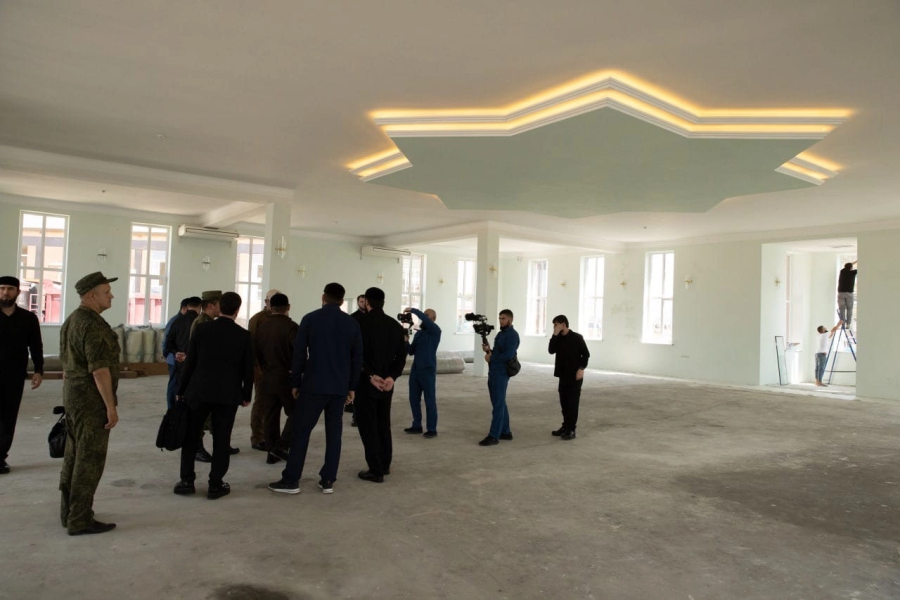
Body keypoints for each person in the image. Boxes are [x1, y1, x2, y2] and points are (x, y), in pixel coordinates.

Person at [268, 283, 362, 494]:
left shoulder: (310, 319)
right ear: (342, 300)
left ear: (323, 297)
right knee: (334, 433)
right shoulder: (351, 323)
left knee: (301, 432)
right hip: (339, 387)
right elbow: (357, 358)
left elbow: (299, 353)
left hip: (313, 385)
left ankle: (291, 480)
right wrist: (352, 387)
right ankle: (328, 480)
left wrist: (295, 382)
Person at [174, 292, 253, 500]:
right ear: (237, 310)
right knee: (222, 439)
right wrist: (246, 394)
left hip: (198, 392)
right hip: (228, 395)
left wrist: (181, 390)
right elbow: (248, 369)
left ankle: (186, 481)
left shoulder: (201, 330)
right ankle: (215, 484)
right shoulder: (244, 335)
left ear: (219, 308)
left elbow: (190, 363)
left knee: (191, 436)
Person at [58, 272, 120, 535]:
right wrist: (110, 407)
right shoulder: (92, 324)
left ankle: (69, 512)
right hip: (91, 401)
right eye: (106, 292)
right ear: (92, 295)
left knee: (73, 456)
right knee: (89, 460)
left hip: (74, 398)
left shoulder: (73, 320)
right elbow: (99, 370)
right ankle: (80, 519)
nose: (111, 296)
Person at [354, 287, 407, 482]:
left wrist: (369, 375)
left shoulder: (359, 324)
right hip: (387, 385)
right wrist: (392, 377)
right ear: (383, 302)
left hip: (366, 383)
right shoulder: (395, 326)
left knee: (368, 426)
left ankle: (375, 470)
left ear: (367, 302)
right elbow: (401, 356)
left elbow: (355, 355)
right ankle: (385, 464)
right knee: (383, 423)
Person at [0, 276, 44, 475]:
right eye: (2, 288)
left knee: (9, 416)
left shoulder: (28, 319)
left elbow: (35, 345)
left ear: (18, 292)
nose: (5, 292)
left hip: (14, 376)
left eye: (10, 289)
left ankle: (0, 457)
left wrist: (38, 370)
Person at [253, 293, 298, 465]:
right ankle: (282, 445)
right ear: (288, 307)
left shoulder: (262, 327)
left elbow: (256, 352)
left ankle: (271, 453)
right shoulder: (292, 327)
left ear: (270, 307)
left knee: (270, 415)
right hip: (286, 377)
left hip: (267, 376)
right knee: (297, 413)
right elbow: (299, 353)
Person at [163, 296, 210, 461]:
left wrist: (177, 353)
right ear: (199, 307)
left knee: (178, 394)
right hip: (195, 370)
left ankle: (175, 418)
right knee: (194, 408)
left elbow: (167, 343)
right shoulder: (200, 323)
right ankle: (196, 446)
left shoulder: (176, 321)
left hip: (179, 366)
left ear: (186, 307)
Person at [479, 309, 520, 446]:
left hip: (501, 372)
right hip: (494, 371)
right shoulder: (500, 334)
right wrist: (488, 350)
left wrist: (492, 358)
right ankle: (505, 432)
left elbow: (508, 355)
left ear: (510, 320)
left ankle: (494, 435)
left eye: (503, 318)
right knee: (500, 402)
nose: (501, 321)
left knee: (498, 404)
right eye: (500, 318)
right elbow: (498, 352)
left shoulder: (513, 335)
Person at [548, 315, 590, 440]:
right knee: (564, 403)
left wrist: (581, 368)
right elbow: (551, 350)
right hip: (563, 376)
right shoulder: (558, 338)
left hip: (575, 376)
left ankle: (571, 429)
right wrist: (554, 335)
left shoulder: (577, 338)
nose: (554, 327)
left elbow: (586, 355)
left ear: (563, 324)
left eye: (556, 325)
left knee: (572, 403)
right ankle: (565, 426)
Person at [249, 289, 281, 451]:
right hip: (262, 368)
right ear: (266, 302)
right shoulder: (257, 319)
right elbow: (252, 345)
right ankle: (257, 437)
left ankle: (269, 435)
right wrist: (256, 368)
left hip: (276, 369)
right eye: (271, 300)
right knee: (261, 403)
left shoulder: (279, 317)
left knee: (273, 404)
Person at [403, 307, 441, 438]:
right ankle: (417, 425)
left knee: (429, 400)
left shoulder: (435, 331)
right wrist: (406, 341)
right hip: (416, 370)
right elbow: (411, 351)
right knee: (413, 399)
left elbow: (424, 319)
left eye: (427, 315)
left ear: (433, 318)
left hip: (428, 371)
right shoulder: (419, 334)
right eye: (424, 314)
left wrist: (413, 310)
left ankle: (432, 429)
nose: (424, 317)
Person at [162, 298, 190, 410]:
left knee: (178, 385)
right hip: (174, 359)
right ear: (183, 308)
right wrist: (168, 355)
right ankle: (171, 409)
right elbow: (167, 341)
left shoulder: (184, 321)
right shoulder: (175, 321)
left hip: (179, 359)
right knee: (173, 385)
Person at [815, 322, 842, 387]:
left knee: (817, 368)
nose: (826, 328)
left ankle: (817, 382)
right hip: (822, 354)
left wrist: (836, 328)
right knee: (821, 368)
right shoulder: (825, 334)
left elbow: (830, 335)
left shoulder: (820, 335)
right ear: (822, 330)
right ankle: (819, 382)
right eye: (824, 328)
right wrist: (839, 324)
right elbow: (833, 330)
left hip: (817, 353)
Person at [837, 261, 858, 327]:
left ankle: (842, 323)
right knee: (849, 309)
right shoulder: (853, 272)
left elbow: (847, 266)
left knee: (842, 309)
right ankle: (848, 324)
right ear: (851, 268)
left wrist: (853, 263)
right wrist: (857, 261)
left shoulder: (842, 271)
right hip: (849, 293)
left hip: (841, 293)